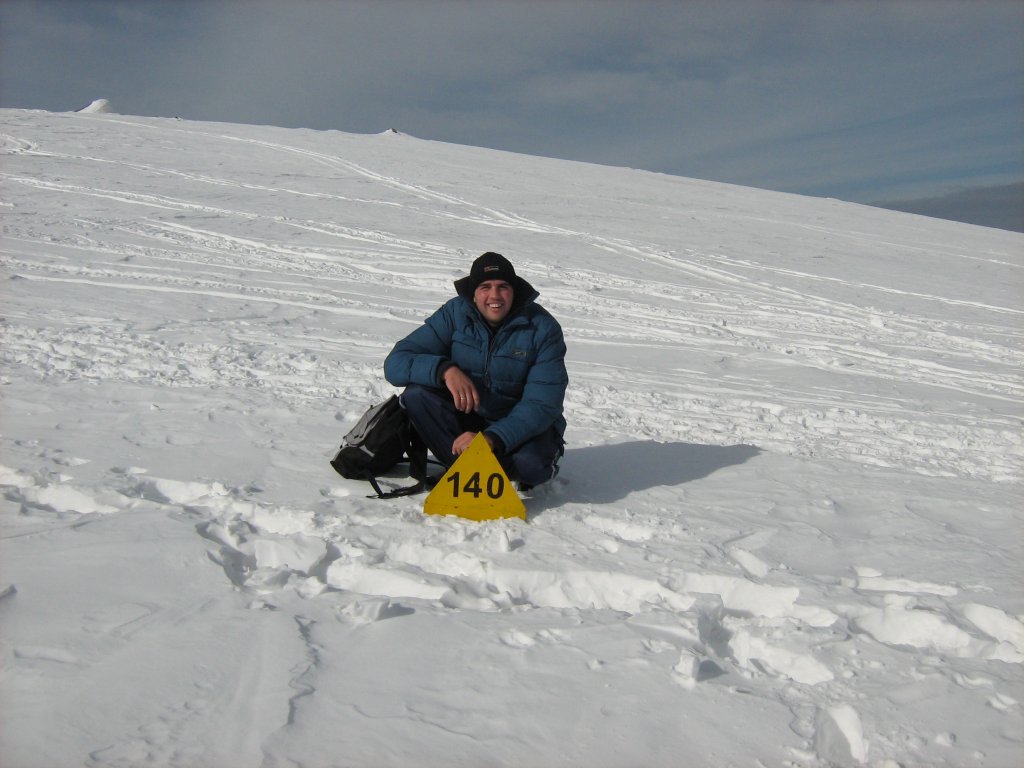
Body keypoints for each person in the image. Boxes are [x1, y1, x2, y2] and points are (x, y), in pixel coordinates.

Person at [384, 251, 567, 489]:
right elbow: (395, 363)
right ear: (473, 293)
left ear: (514, 291)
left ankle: (491, 466)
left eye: (503, 287)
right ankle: (468, 465)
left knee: (530, 465)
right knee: (416, 395)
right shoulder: (455, 314)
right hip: (470, 419)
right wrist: (444, 369)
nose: (495, 296)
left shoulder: (542, 329)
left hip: (519, 426)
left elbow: (542, 404)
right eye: (485, 287)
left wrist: (492, 438)